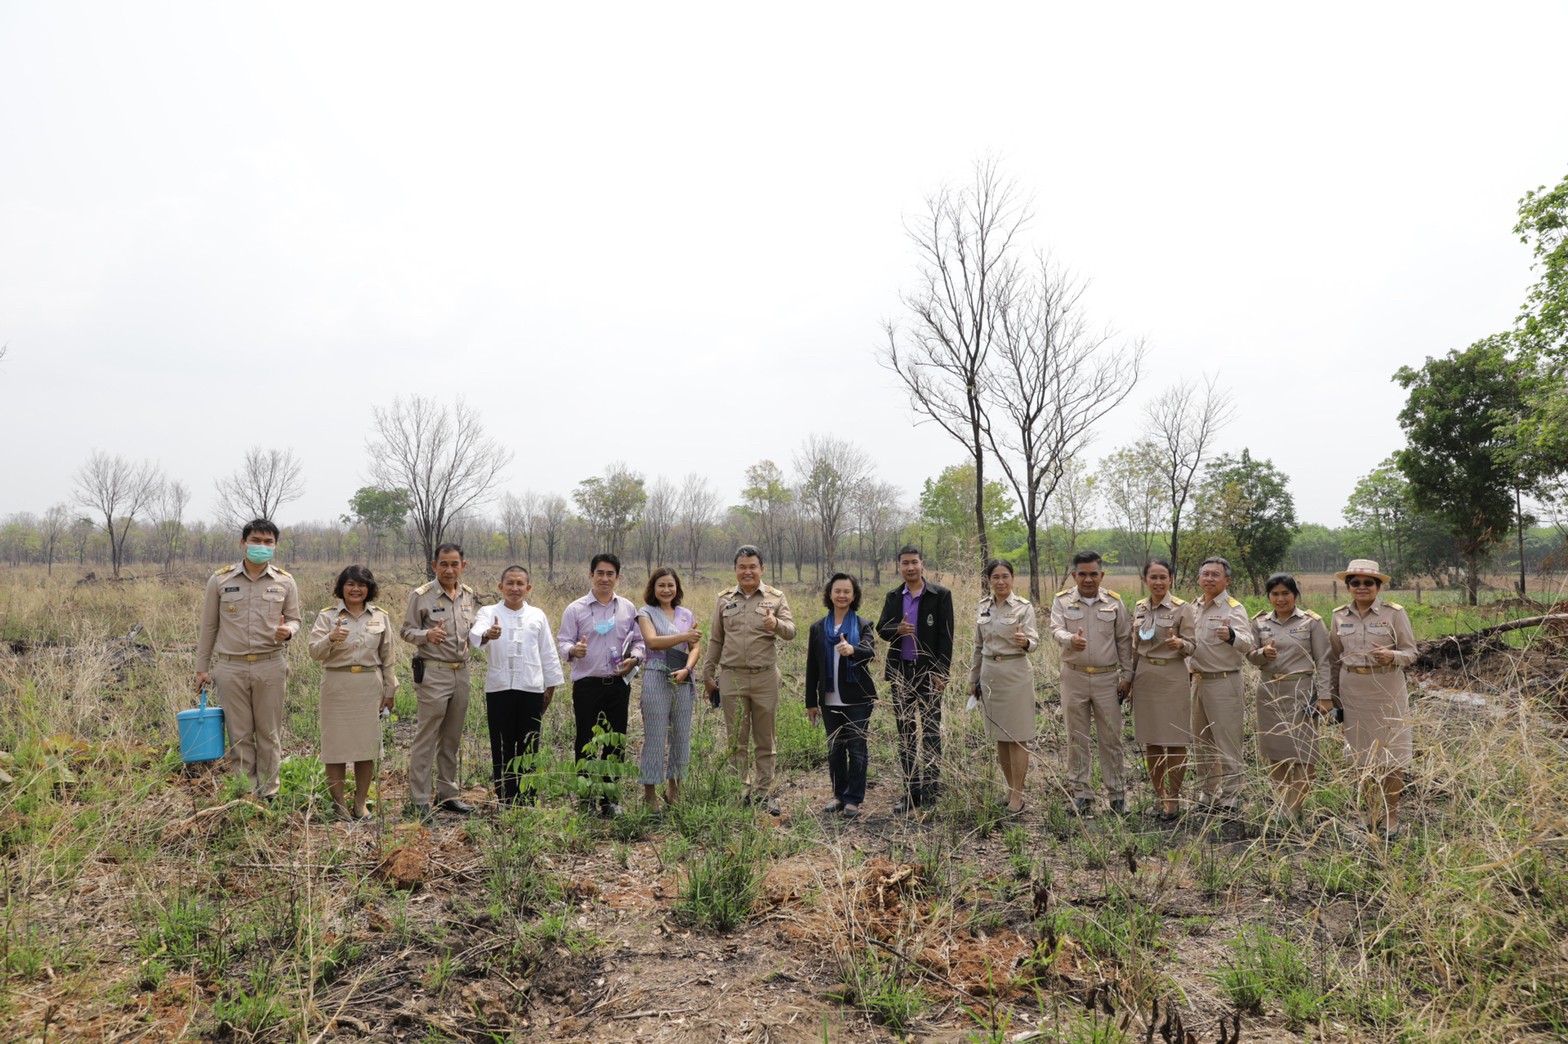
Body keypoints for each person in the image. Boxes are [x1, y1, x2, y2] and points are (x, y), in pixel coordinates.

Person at [194, 518, 301, 802]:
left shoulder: (285, 581)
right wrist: (201, 669)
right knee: (239, 735)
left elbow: (295, 619)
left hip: (271, 664)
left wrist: (288, 631)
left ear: (275, 546)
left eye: (268, 542)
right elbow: (209, 627)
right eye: (256, 540)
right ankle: (246, 793)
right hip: (231, 666)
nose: (261, 547)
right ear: (243, 543)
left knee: (269, 733)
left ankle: (270, 793)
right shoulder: (221, 579)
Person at [703, 544, 797, 815]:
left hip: (765, 677)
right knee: (737, 739)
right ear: (735, 570)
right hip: (732, 677)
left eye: (752, 566)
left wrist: (775, 625)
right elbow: (716, 639)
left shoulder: (776, 598)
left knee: (765, 739)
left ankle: (764, 793)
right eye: (742, 567)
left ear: (762, 569)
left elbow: (791, 631)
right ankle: (740, 790)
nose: (747, 572)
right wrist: (708, 674)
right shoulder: (723, 599)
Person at [1329, 559, 1416, 840]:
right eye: (1356, 583)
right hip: (1352, 688)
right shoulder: (1339, 616)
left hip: (1387, 688)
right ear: (1349, 587)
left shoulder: (1394, 614)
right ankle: (1371, 814)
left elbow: (1411, 653)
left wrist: (1393, 656)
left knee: (1391, 755)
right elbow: (1333, 659)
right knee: (1361, 757)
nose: (1362, 587)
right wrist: (1332, 697)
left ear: (1378, 587)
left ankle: (1391, 817)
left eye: (1368, 583)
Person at [558, 553, 645, 815]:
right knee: (585, 739)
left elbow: (639, 642)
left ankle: (610, 799)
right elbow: (562, 641)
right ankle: (585, 798)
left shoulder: (628, 608)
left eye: (610, 574)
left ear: (618, 577)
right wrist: (574, 650)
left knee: (616, 741)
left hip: (618, 685)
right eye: (600, 573)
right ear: (591, 575)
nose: (605, 578)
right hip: (587, 684)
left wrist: (635, 658)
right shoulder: (576, 609)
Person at [308, 565, 397, 820]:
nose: (355, 589)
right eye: (350, 584)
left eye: (361, 584)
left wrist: (389, 691)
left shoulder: (380, 617)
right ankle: (339, 805)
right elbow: (314, 652)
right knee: (335, 749)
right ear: (341, 587)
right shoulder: (327, 617)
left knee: (366, 748)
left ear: (369, 589)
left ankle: (360, 804)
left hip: (369, 685)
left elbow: (387, 657)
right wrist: (331, 638)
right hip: (337, 685)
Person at [1049, 550, 1134, 817]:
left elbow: (1124, 641)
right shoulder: (1062, 601)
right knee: (1077, 736)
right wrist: (1069, 639)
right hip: (1073, 676)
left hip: (1107, 679)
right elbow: (1055, 629)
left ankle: (1117, 796)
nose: (1088, 579)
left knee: (1111, 738)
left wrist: (1128, 676)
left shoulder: (1114, 603)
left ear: (1102, 575)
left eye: (1093, 574)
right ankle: (1081, 794)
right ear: (1074, 575)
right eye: (1082, 574)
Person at [470, 566, 563, 806]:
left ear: (528, 588)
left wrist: (550, 689)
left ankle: (527, 796)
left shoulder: (537, 615)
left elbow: (548, 653)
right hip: (499, 689)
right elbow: (476, 633)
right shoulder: (489, 612)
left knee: (529, 744)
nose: (514, 588)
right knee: (502, 744)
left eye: (520, 583)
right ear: (500, 587)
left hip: (531, 689)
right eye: (509, 583)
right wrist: (489, 634)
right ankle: (505, 796)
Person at [875, 545, 955, 814]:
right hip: (901, 673)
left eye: (914, 562)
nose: (910, 567)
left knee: (931, 733)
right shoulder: (894, 596)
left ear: (923, 564)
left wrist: (941, 672)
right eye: (905, 563)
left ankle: (931, 793)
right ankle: (911, 792)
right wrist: (897, 629)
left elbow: (946, 637)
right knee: (906, 734)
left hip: (929, 674)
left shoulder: (940, 595)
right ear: (899, 566)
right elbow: (881, 629)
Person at [401, 543, 479, 818]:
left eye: (454, 564)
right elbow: (406, 630)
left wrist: (487, 635)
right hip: (434, 673)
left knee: (452, 737)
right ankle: (419, 799)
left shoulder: (468, 596)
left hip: (462, 672)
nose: (449, 569)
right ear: (434, 566)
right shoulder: (422, 595)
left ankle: (447, 794)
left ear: (463, 566)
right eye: (443, 564)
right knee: (427, 736)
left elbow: (472, 631)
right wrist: (426, 636)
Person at [1246, 573, 1331, 824]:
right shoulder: (1259, 622)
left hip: (1300, 691)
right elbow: (1250, 655)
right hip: (1269, 691)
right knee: (1275, 750)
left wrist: (1325, 697)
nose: (1280, 599)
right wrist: (1264, 653)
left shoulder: (1311, 622)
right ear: (1268, 596)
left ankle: (1295, 809)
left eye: (1286, 593)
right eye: (1275, 594)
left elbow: (1324, 662)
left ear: (1295, 595)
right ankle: (1284, 807)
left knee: (1303, 753)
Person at [968, 558, 1040, 815]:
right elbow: (978, 646)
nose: (1000, 581)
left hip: (1015, 673)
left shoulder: (1023, 607)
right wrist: (973, 678)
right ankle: (1010, 788)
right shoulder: (983, 607)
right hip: (990, 674)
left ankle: (1018, 795)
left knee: (1017, 737)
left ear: (1013, 578)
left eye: (1005, 576)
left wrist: (1024, 642)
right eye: (995, 577)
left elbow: (1034, 641)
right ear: (989, 580)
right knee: (999, 736)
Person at [805, 573, 879, 818]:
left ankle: (853, 799)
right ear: (829, 594)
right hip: (829, 699)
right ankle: (838, 794)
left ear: (854, 595)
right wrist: (811, 703)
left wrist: (852, 650)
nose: (842, 595)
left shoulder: (862, 624)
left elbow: (870, 651)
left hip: (858, 698)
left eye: (847, 591)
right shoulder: (817, 628)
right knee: (835, 748)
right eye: (837, 591)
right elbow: (812, 668)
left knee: (857, 748)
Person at [1185, 556, 1255, 816]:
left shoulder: (1233, 608)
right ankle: (1207, 793)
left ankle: (1231, 796)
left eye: (1215, 574)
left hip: (1224, 681)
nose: (1209, 579)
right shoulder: (1193, 607)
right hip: (1198, 681)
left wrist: (1232, 636)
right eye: (1205, 574)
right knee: (1201, 741)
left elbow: (1249, 643)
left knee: (1227, 741)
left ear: (1227, 580)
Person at [1127, 558, 1192, 823]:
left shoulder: (1182, 609)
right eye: (1153, 577)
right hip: (1145, 676)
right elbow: (1134, 648)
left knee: (1176, 741)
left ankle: (1174, 798)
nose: (1158, 582)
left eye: (1163, 577)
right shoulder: (1139, 608)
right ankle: (1159, 794)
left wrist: (1181, 644)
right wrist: (1129, 680)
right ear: (1145, 580)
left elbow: (1194, 645)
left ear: (1171, 580)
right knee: (1152, 740)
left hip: (1173, 675)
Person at [635, 567, 701, 813]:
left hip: (682, 676)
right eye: (661, 585)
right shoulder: (645, 613)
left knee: (681, 735)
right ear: (653, 588)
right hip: (656, 674)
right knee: (655, 735)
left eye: (670, 585)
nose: (666, 590)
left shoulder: (685, 613)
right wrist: (685, 635)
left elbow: (695, 647)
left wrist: (687, 668)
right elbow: (652, 641)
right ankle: (650, 792)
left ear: (677, 588)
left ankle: (674, 788)